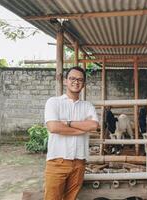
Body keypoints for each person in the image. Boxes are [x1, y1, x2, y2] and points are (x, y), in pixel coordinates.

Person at [44, 66, 99, 200]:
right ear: (65, 81)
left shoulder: (87, 106)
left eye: (80, 79)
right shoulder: (53, 102)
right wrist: (82, 128)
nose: (76, 82)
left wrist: (68, 123)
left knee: (71, 198)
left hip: (79, 162)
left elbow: (93, 125)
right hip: (57, 161)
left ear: (84, 84)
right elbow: (53, 127)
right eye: (72, 78)